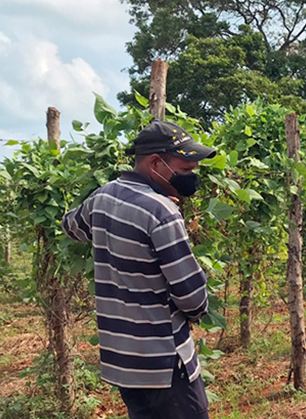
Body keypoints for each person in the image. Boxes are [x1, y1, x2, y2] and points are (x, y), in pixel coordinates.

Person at [62, 120, 216, 419]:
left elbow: (72, 225)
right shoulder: (161, 212)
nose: (192, 177)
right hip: (165, 362)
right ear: (156, 163)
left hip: (123, 360)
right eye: (185, 170)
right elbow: (191, 297)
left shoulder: (102, 197)